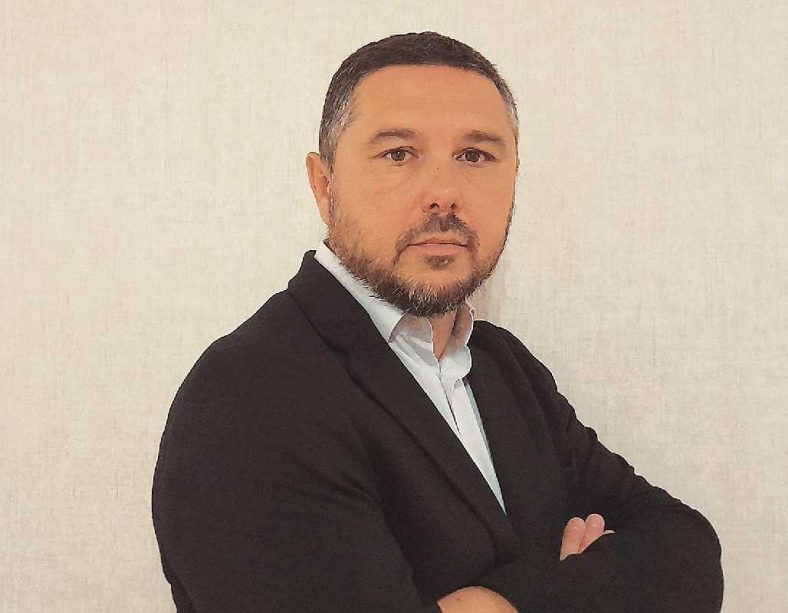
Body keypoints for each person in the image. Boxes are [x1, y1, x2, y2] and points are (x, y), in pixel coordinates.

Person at [152, 31, 723, 613]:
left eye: (475, 156)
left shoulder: (504, 367)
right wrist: (586, 583)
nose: (444, 193)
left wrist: (491, 603)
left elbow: (687, 555)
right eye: (399, 154)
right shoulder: (250, 394)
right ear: (325, 186)